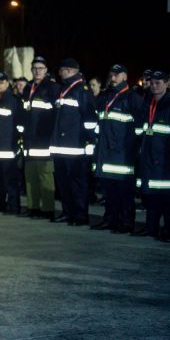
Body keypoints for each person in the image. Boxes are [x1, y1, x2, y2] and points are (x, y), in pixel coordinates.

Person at [91, 64, 144, 233]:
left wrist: (132, 149)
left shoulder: (133, 98)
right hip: (106, 153)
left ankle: (126, 222)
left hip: (123, 155)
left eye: (116, 75)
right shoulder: (106, 97)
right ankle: (110, 219)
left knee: (125, 192)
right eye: (111, 74)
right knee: (109, 191)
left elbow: (140, 129)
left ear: (125, 77)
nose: (112, 78)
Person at [50, 58, 97, 226]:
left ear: (70, 70)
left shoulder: (82, 90)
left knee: (77, 183)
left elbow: (90, 118)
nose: (60, 73)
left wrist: (89, 141)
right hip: (60, 147)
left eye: (62, 70)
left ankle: (80, 215)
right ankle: (67, 212)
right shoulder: (64, 89)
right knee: (63, 183)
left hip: (75, 147)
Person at [134, 70, 170, 241]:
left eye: (158, 83)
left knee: (167, 198)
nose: (154, 86)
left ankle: (169, 230)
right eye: (152, 83)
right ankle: (151, 228)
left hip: (165, 159)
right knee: (150, 195)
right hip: (148, 157)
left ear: (166, 84)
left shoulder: (169, 105)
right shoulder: (148, 103)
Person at [20, 56, 59, 220]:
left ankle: (48, 209)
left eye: (41, 68)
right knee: (30, 177)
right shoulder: (28, 88)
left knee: (45, 176)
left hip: (44, 139)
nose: (37, 71)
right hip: (30, 140)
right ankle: (33, 207)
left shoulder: (52, 88)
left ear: (46, 70)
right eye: (35, 68)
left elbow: (55, 115)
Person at [0, 72, 22, 214]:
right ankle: (0, 203)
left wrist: (16, 144)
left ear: (7, 84)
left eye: (1, 82)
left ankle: (13, 206)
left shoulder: (13, 100)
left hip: (7, 147)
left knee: (10, 180)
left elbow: (18, 124)